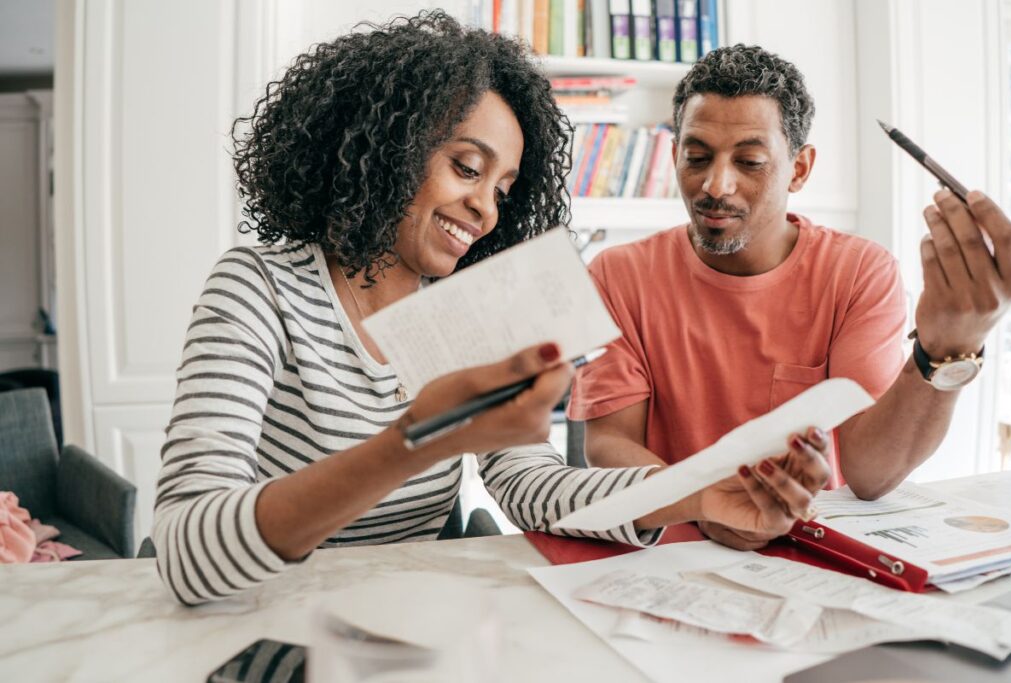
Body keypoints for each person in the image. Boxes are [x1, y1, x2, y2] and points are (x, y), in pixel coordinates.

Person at [153, 14, 830, 605]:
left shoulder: (466, 316)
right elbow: (185, 547)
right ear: (382, 148)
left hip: (398, 623)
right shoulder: (258, 290)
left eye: (504, 189)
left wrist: (696, 493)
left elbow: (533, 486)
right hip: (261, 617)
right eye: (467, 168)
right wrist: (416, 441)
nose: (486, 209)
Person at [571, 44, 1011, 551]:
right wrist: (701, 502)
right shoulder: (617, 274)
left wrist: (943, 350)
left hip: (807, 552)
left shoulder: (857, 272)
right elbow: (608, 442)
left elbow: (870, 475)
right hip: (666, 550)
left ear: (799, 169)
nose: (715, 185)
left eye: (750, 161)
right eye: (696, 157)